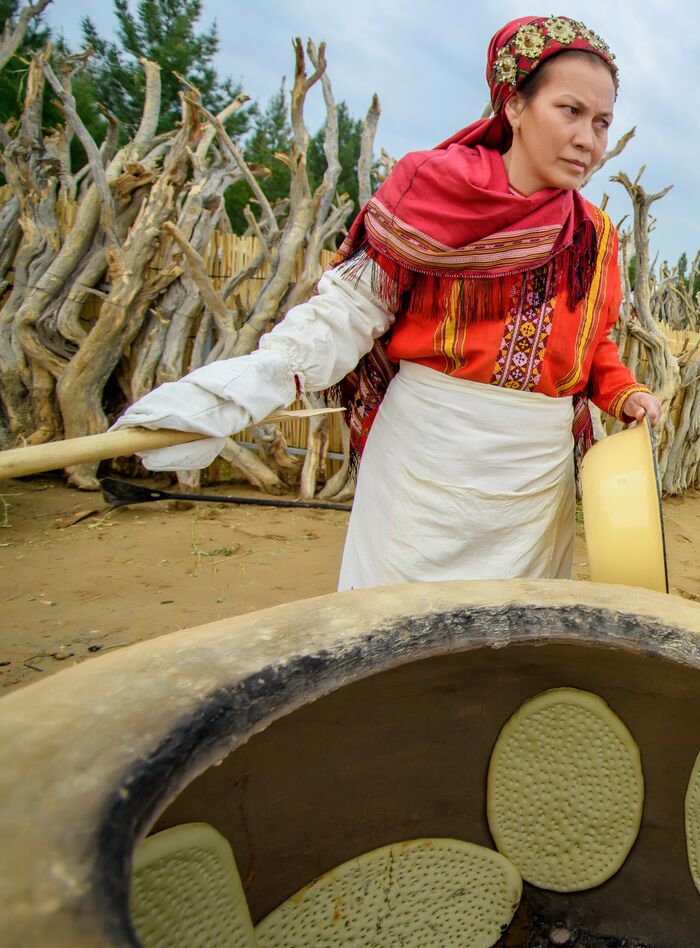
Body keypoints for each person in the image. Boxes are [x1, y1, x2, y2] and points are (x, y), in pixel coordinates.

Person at [113, 15, 661, 590]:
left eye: (602, 122)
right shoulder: (430, 190)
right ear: (514, 105)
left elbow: (590, 339)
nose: (588, 140)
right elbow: (350, 309)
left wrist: (624, 393)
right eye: (569, 111)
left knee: (509, 643)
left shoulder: (592, 234)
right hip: (427, 459)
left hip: (535, 479)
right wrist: (250, 384)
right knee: (400, 636)